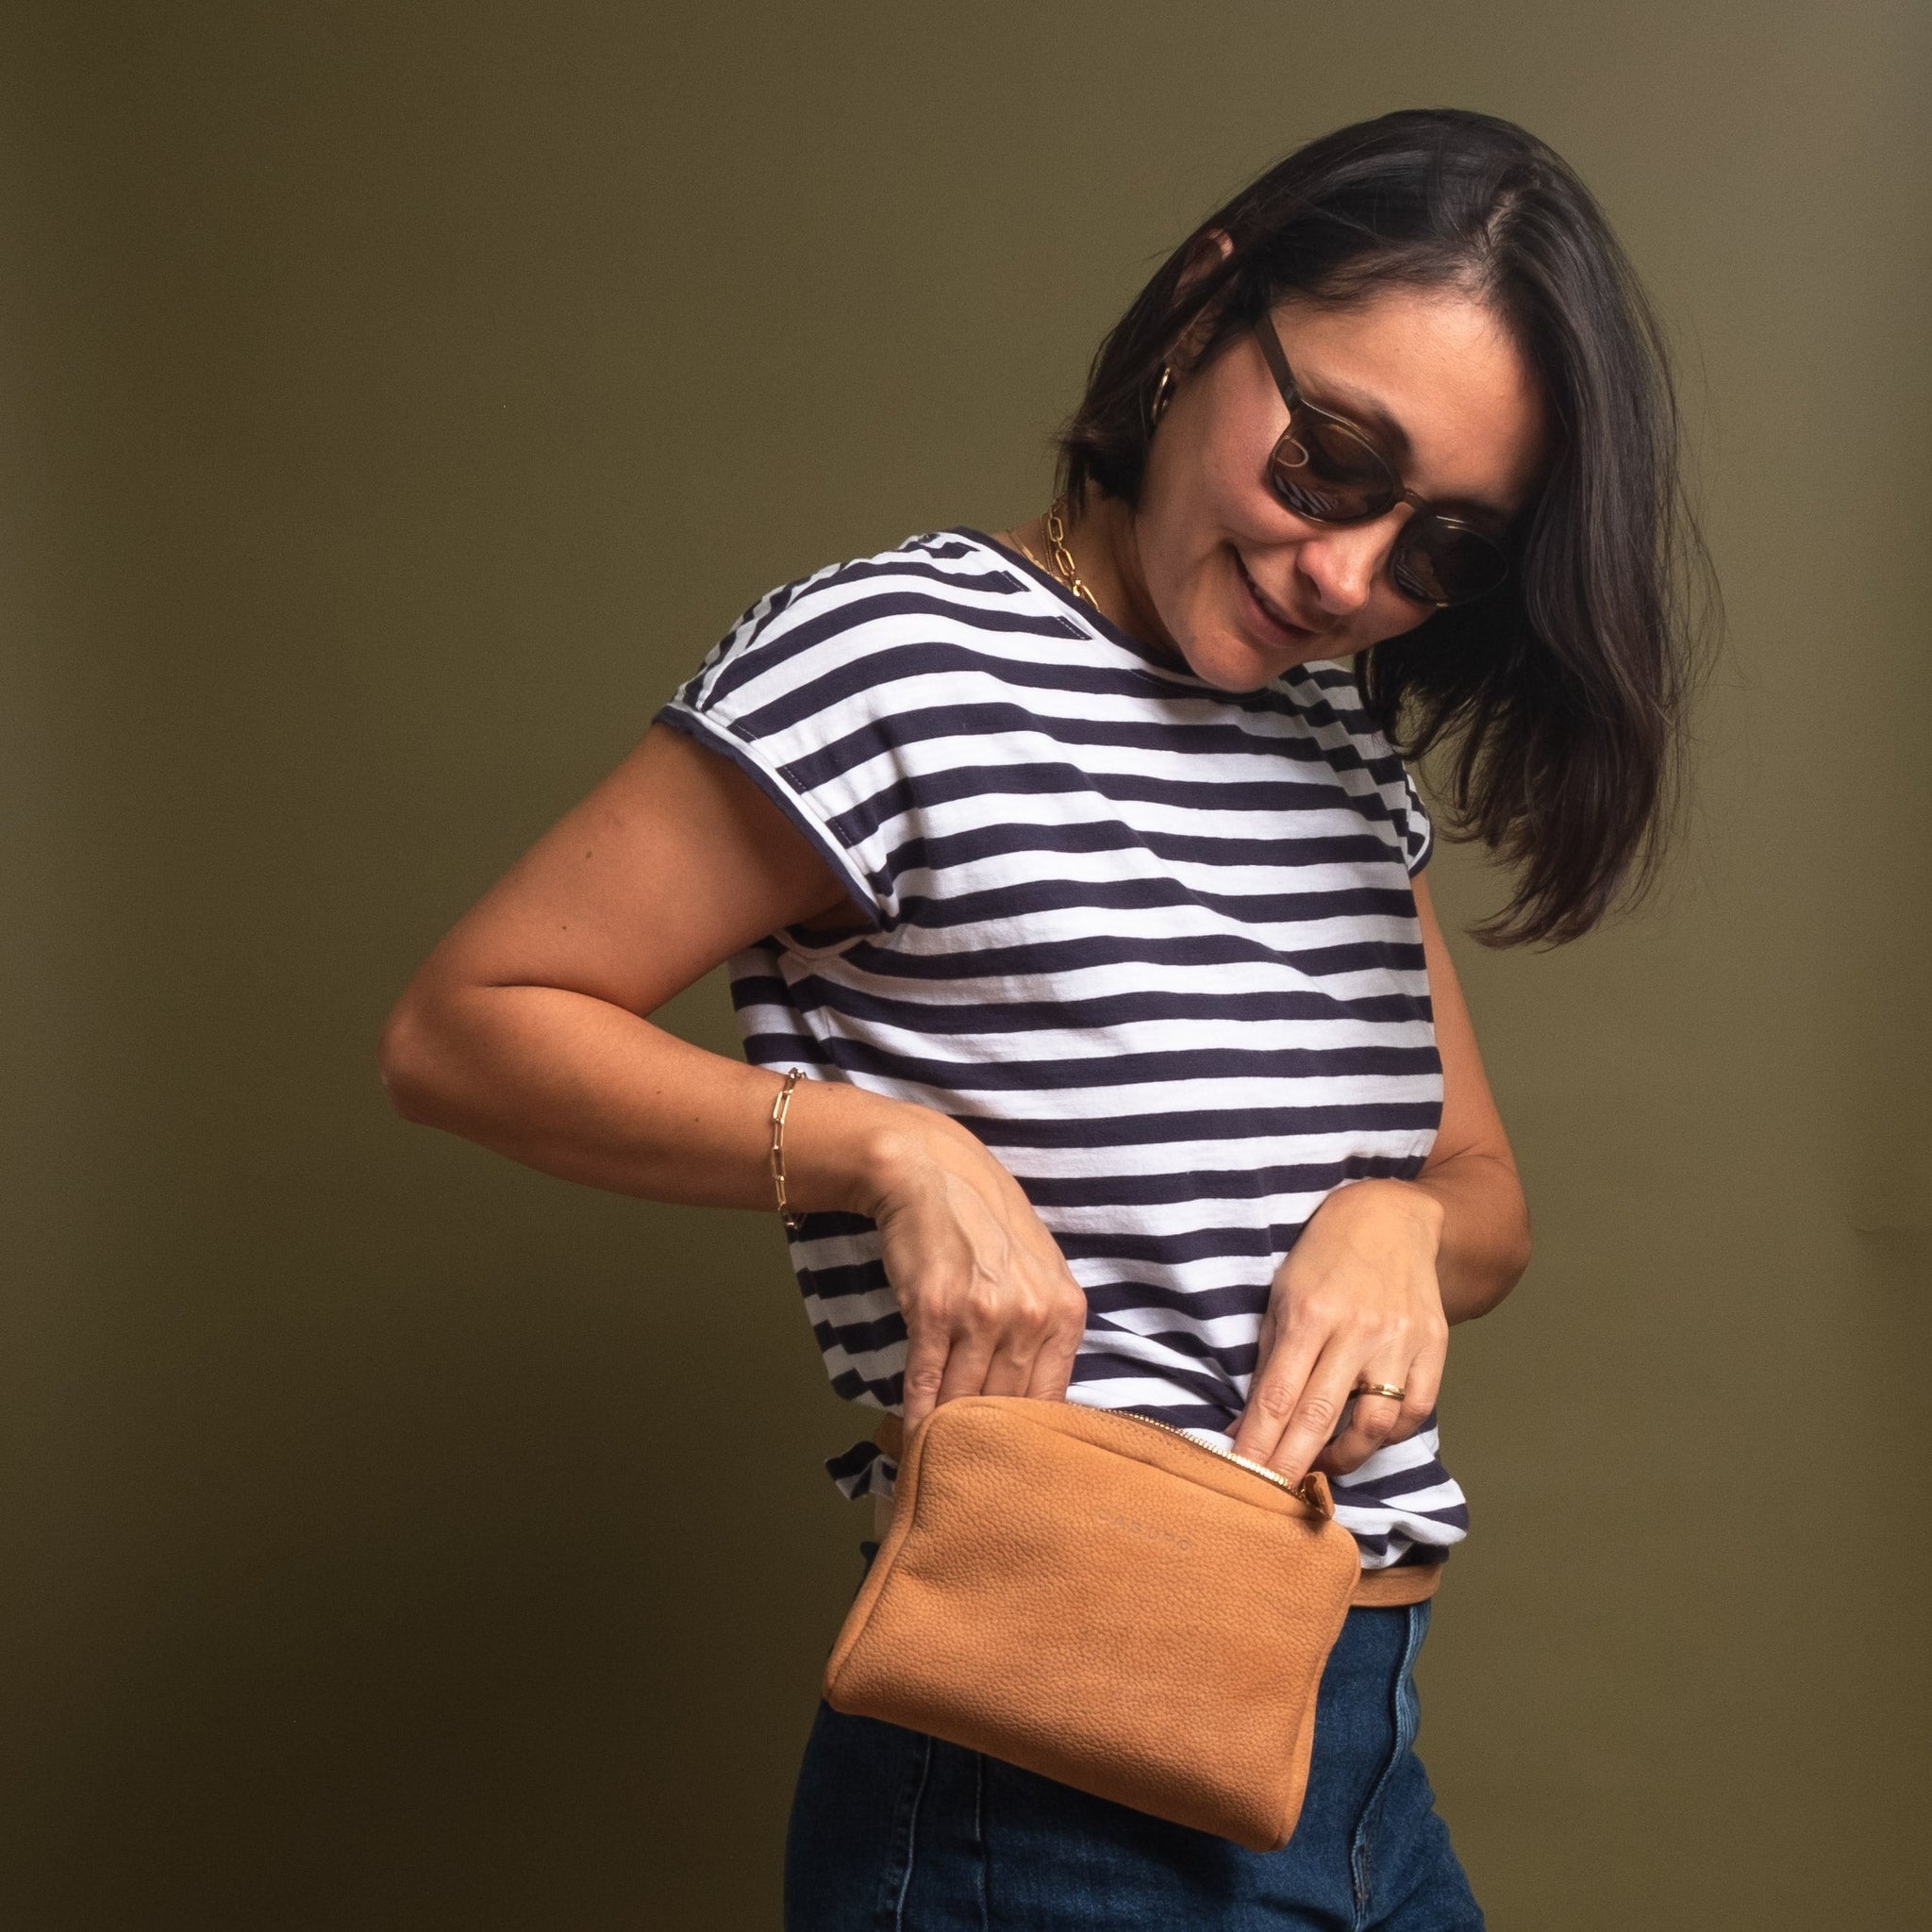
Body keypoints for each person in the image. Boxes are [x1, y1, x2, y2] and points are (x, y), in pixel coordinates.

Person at [379, 107, 1707, 1931]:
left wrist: (1395, 1223)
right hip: (1050, 1784)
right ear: (1203, 310)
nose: (1348, 578)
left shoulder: (1334, 743)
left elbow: (1483, 1197)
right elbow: (463, 1027)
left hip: (1357, 1751)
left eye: (1441, 550)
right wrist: (891, 1154)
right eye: (1332, 460)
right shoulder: (897, 660)